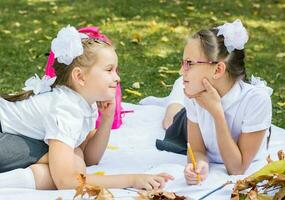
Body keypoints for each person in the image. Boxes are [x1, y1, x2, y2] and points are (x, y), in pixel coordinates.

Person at [0, 25, 173, 190]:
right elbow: (66, 181)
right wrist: (132, 179)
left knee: (76, 159)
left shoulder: (83, 103)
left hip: (11, 137)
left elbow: (90, 157)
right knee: (71, 165)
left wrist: (106, 119)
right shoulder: (66, 108)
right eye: (109, 70)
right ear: (80, 77)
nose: (117, 78)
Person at [145, 19, 273, 185]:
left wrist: (216, 113)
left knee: (173, 118)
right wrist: (199, 164)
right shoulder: (195, 94)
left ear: (218, 69)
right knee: (170, 121)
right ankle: (176, 94)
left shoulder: (256, 100)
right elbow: (197, 150)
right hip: (188, 112)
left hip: (211, 106)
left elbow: (237, 168)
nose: (181, 69)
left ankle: (178, 89)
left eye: (189, 63)